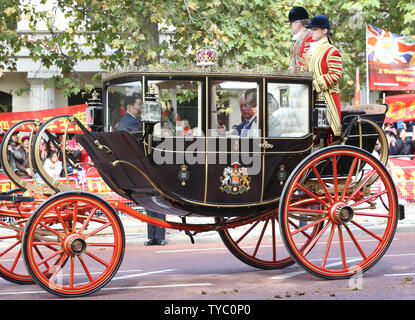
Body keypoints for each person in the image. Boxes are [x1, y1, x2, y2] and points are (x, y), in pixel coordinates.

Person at [115, 96, 167, 246]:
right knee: (157, 200)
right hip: (145, 165)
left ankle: (154, 236)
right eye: (139, 104)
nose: (141, 108)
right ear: (129, 107)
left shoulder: (129, 121)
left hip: (141, 166)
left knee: (151, 201)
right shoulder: (132, 123)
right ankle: (158, 235)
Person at [303, 14, 343, 138]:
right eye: (311, 30)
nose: (311, 32)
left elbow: (335, 74)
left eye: (315, 29)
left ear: (325, 31)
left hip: (326, 98)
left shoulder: (332, 51)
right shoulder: (310, 51)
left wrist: (314, 84)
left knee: (329, 135)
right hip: (311, 97)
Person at [286, 6, 313, 71]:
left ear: (298, 24)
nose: (290, 26)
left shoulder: (309, 37)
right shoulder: (298, 38)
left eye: (291, 23)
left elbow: (305, 61)